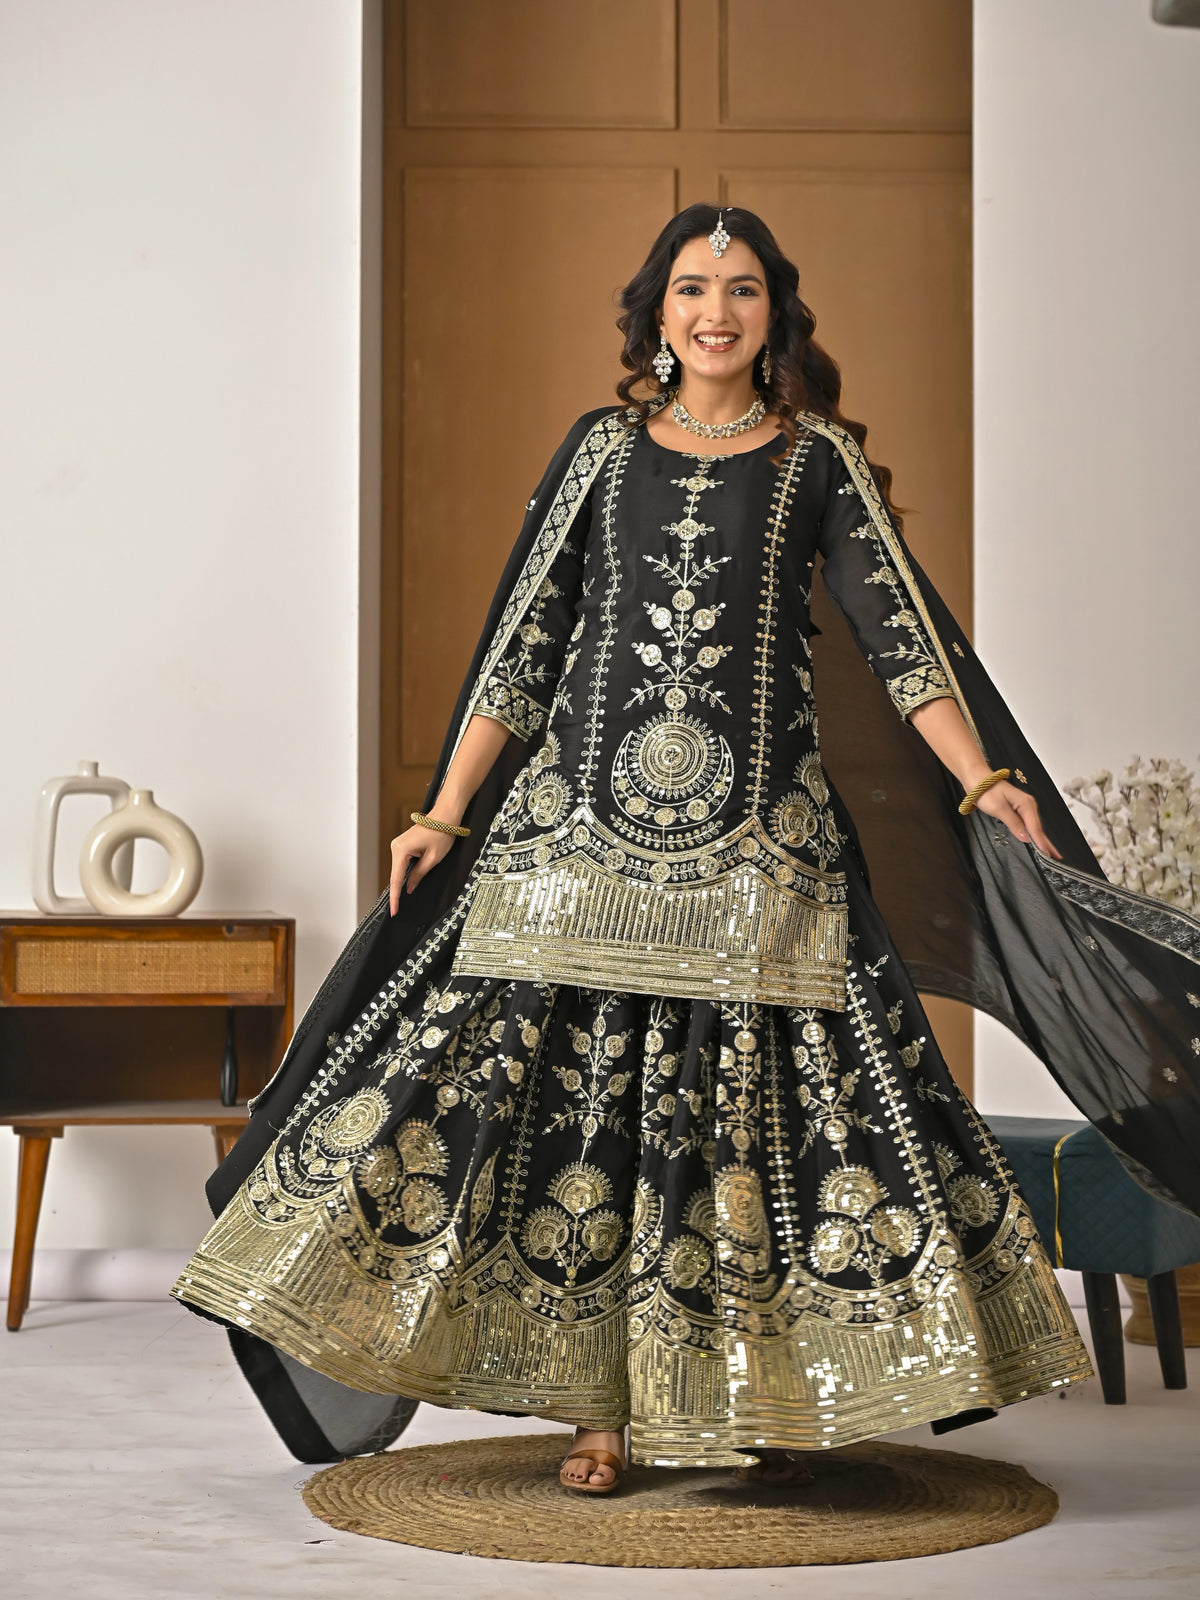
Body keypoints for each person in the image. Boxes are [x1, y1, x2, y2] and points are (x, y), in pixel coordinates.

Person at [174, 205, 1199, 1493]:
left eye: (746, 290)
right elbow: (523, 646)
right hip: (579, 831)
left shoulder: (813, 460)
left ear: (777, 316)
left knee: (746, 1127)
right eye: (694, 287)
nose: (718, 311)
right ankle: (597, 1411)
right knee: (579, 1118)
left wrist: (983, 777)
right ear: (656, 312)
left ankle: (751, 1397)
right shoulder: (600, 450)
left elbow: (902, 643)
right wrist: (443, 810)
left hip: (761, 846)